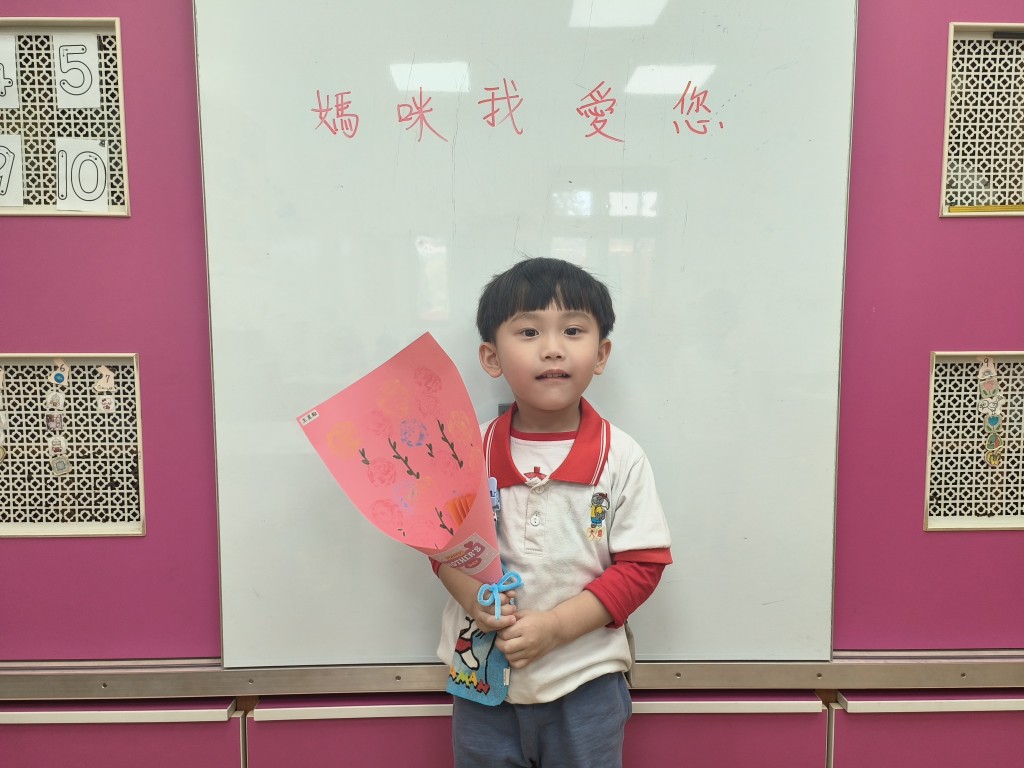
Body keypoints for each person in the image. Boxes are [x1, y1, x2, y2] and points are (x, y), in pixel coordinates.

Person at [435, 257, 673, 767]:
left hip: (586, 683)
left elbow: (642, 567)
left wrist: (558, 627)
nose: (552, 347)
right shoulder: (469, 451)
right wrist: (473, 597)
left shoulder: (621, 456)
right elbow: (442, 548)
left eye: (573, 330)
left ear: (601, 354)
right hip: (482, 685)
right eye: (528, 331)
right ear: (491, 357)